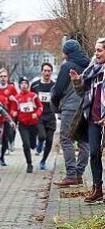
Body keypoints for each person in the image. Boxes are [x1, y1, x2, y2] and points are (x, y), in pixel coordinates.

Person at [52, 39, 90, 187]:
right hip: (85, 106)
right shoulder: (88, 64)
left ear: (66, 53)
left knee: (66, 139)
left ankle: (71, 175)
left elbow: (58, 90)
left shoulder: (67, 66)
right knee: (83, 141)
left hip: (70, 107)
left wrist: (56, 105)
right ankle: (79, 173)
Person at [70, 38, 105, 203]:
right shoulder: (92, 70)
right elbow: (83, 93)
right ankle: (97, 189)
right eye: (96, 51)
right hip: (93, 119)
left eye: (100, 50)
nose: (96, 54)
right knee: (94, 154)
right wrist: (77, 81)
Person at [10, 77, 43, 173]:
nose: (24, 85)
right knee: (26, 144)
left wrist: (36, 114)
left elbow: (40, 107)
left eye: (25, 83)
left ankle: (34, 144)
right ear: (19, 85)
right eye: (22, 83)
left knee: (32, 144)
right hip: (23, 124)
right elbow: (12, 110)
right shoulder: (16, 98)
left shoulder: (33, 96)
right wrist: (13, 113)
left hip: (33, 124)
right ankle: (29, 164)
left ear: (28, 85)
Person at [30, 63, 56, 170]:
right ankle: (40, 143)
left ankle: (43, 161)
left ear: (51, 72)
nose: (47, 73)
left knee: (49, 140)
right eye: (45, 70)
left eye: (49, 71)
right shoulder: (35, 85)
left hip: (50, 115)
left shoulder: (54, 86)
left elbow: (58, 99)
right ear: (42, 71)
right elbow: (30, 98)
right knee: (42, 136)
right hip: (39, 115)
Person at [0, 68, 18, 165]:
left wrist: (13, 110)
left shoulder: (11, 88)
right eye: (1, 76)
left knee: (5, 137)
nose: (3, 78)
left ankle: (2, 157)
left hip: (7, 116)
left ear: (7, 78)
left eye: (5, 76)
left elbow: (16, 100)